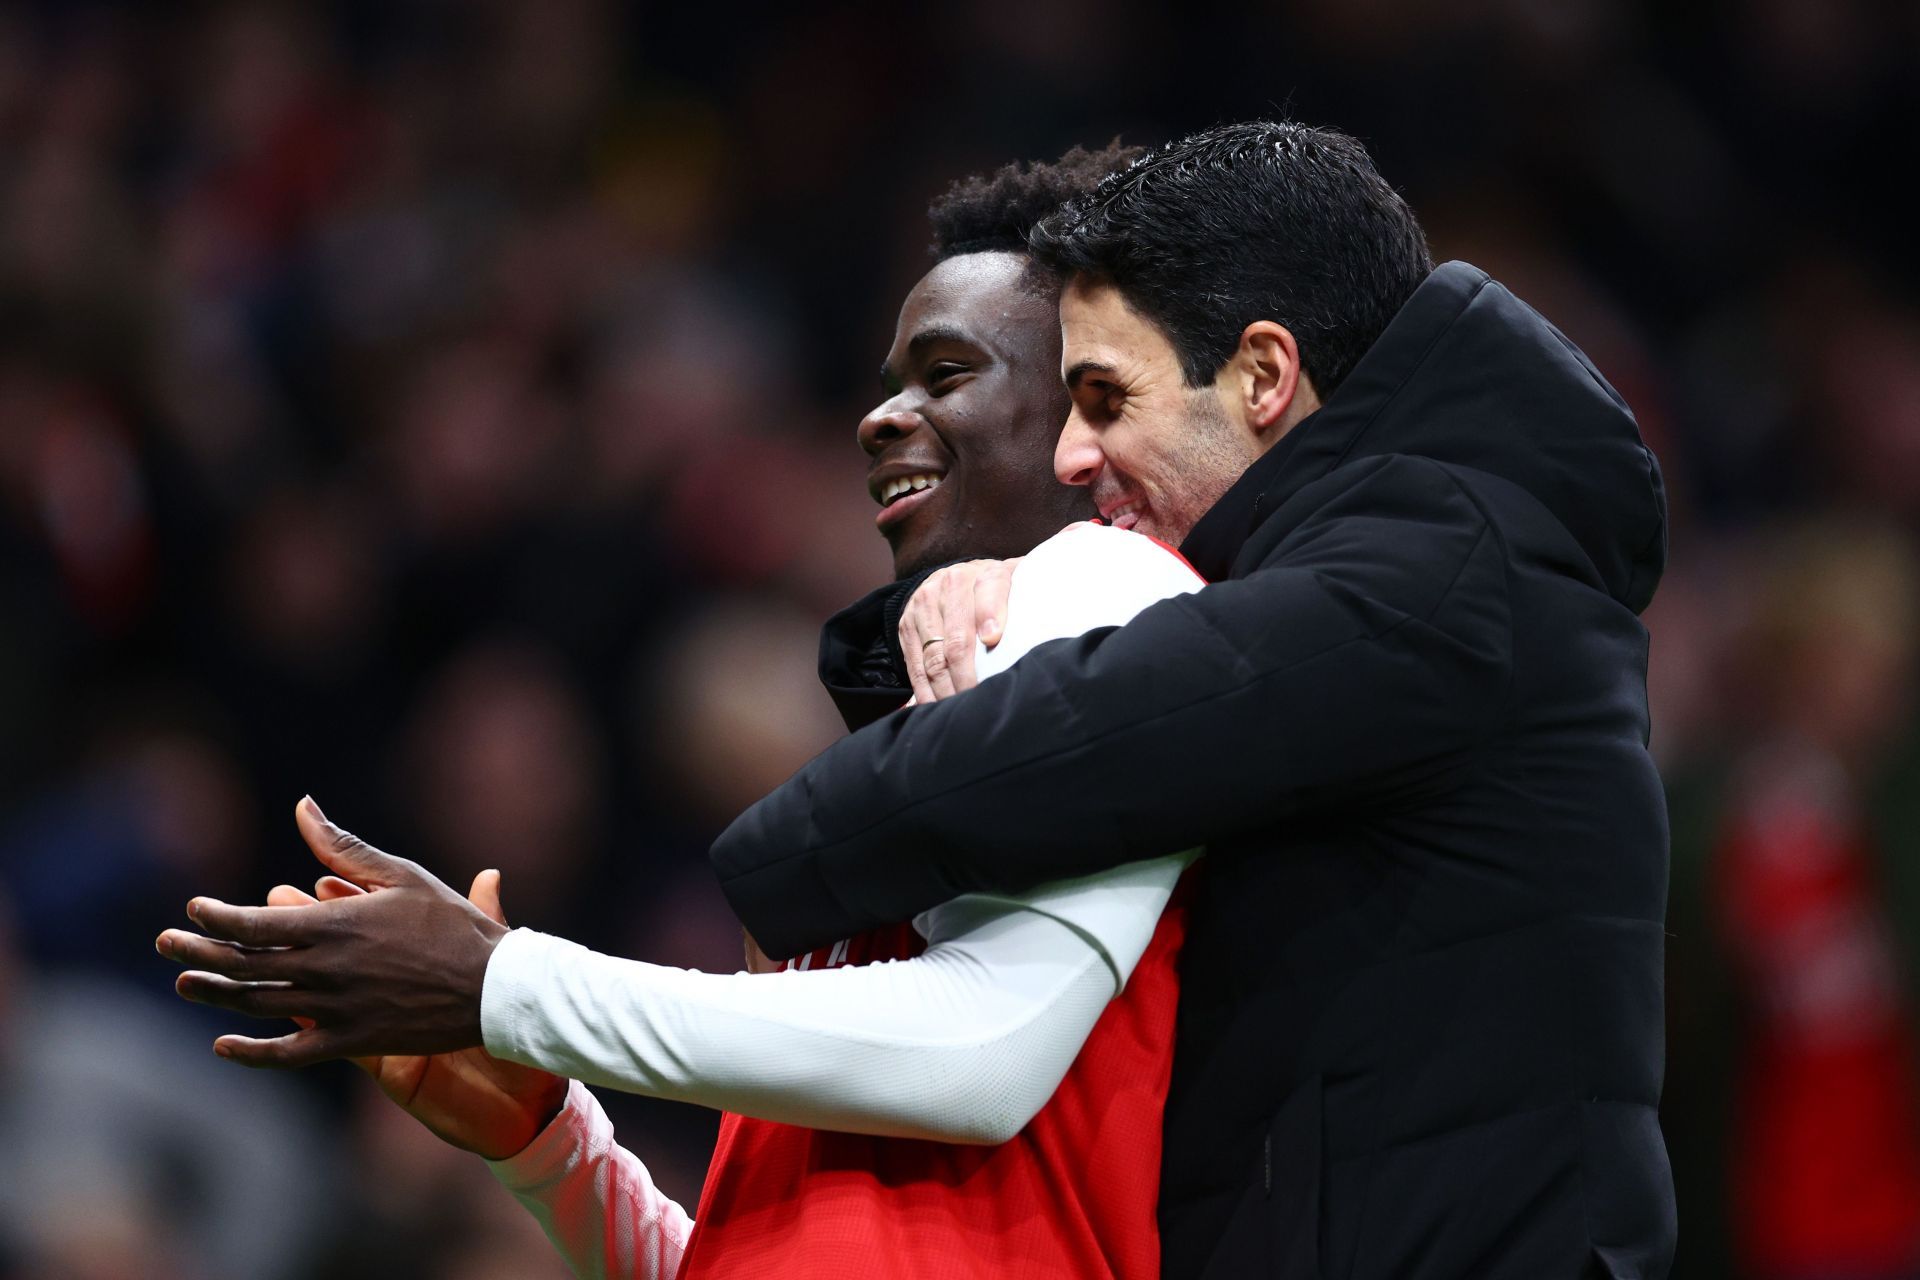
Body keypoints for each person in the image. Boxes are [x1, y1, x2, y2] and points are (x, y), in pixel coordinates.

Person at [160, 143, 1212, 1279]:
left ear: (1088, 415)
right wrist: (554, 1141)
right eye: (887, 381)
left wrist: (502, 983)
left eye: (945, 373)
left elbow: (980, 1053)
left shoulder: (1116, 588)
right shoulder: (905, 751)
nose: (879, 417)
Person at [707, 120, 1677, 1279]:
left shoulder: (1439, 567)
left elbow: (1078, 740)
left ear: (1264, 374)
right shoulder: (1411, 555)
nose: (1074, 454)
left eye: (1107, 398)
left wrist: (769, 875)